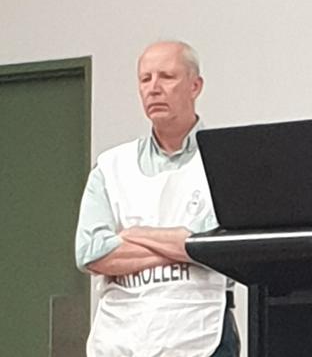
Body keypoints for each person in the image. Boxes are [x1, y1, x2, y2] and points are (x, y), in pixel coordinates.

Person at [75, 41, 240, 357]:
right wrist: (181, 244)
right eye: (145, 79)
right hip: (121, 336)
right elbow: (91, 252)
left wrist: (131, 236)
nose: (153, 88)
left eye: (166, 76)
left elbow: (218, 248)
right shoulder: (111, 166)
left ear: (195, 86)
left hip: (200, 337)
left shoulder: (225, 161)